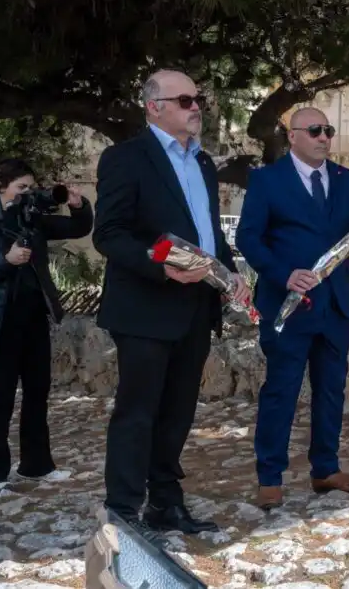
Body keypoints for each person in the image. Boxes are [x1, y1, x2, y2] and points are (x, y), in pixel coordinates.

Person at [93, 69, 250, 542]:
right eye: (184, 100)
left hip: (196, 307)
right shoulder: (125, 158)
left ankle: (165, 503)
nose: (195, 106)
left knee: (178, 412)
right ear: (153, 107)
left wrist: (230, 273)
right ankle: (123, 511)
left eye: (197, 99)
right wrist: (160, 267)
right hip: (144, 307)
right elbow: (109, 234)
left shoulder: (202, 162)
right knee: (137, 412)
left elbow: (208, 233)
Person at [236, 106, 349, 511]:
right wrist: (284, 274)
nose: (324, 138)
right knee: (280, 391)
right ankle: (270, 478)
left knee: (331, 390)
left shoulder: (344, 178)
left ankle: (325, 469)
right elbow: (248, 239)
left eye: (328, 131)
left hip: (335, 305)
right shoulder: (266, 180)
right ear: (293, 136)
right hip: (287, 306)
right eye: (315, 130)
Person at [0, 158, 93, 494]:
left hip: (33, 316)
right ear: (0, 186)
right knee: (2, 394)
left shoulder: (33, 219)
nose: (27, 194)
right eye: (20, 187)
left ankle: (36, 466)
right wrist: (5, 261)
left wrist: (78, 206)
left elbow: (77, 228)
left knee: (38, 391)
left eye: (30, 188)